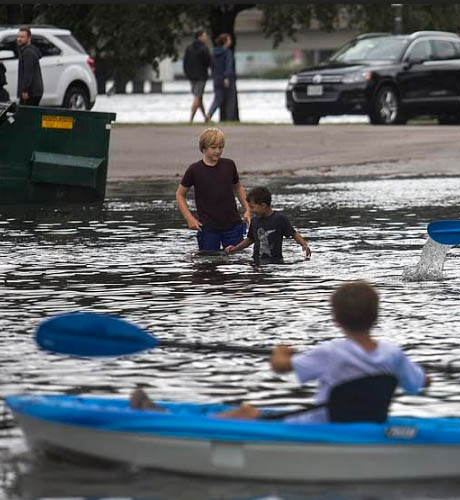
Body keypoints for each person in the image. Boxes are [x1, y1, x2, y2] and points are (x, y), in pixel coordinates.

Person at [131, 280, 429, 423]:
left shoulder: (331, 351)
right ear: (375, 317)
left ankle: (163, 419)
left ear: (336, 320)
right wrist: (420, 375)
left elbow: (280, 367)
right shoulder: (393, 355)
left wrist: (281, 352)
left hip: (319, 426)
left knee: (247, 411)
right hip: (366, 424)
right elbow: (419, 383)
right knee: (258, 412)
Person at [176, 127, 250, 251]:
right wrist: (189, 218)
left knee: (237, 259)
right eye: (213, 148)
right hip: (207, 228)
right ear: (204, 148)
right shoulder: (194, 170)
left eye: (221, 147)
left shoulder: (229, 165)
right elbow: (179, 194)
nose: (218, 151)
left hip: (233, 225)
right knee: (208, 259)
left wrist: (247, 209)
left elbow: (238, 187)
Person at [224, 186, 311, 263]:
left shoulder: (279, 219)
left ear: (263, 205)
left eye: (252, 207)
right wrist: (235, 249)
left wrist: (304, 245)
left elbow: (293, 233)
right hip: (256, 261)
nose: (251, 210)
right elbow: (250, 239)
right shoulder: (254, 221)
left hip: (275, 262)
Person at [183, 30, 211, 123]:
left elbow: (185, 62)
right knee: (197, 96)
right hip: (201, 76)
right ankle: (191, 119)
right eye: (204, 35)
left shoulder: (189, 48)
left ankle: (205, 118)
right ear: (200, 37)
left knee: (199, 97)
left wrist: (187, 73)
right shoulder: (203, 48)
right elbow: (208, 61)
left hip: (191, 76)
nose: (206, 37)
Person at [206, 33, 235, 122]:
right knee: (230, 99)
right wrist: (226, 77)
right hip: (226, 78)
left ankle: (209, 114)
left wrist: (215, 76)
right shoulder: (227, 52)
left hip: (216, 78)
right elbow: (228, 65)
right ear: (225, 41)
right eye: (229, 39)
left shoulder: (214, 52)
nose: (230, 41)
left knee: (218, 98)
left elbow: (212, 66)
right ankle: (229, 118)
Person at [16, 27, 43, 106]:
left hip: (30, 93)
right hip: (34, 92)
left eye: (22, 37)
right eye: (18, 37)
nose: (19, 39)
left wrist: (25, 90)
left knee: (25, 113)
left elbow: (28, 73)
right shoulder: (26, 51)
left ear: (29, 38)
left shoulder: (28, 53)